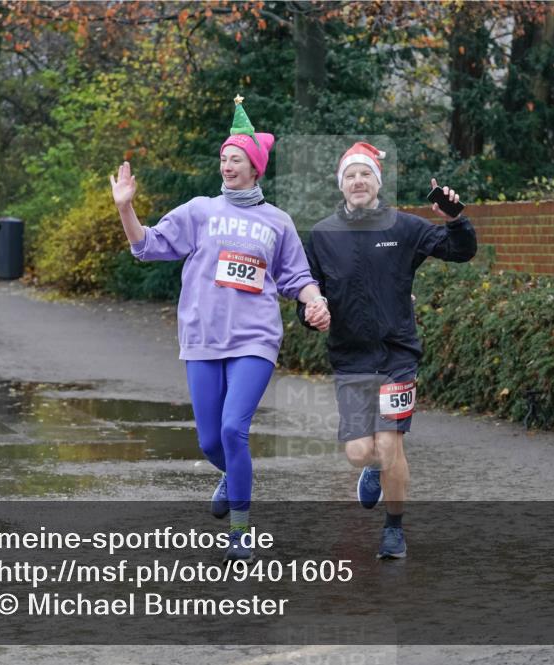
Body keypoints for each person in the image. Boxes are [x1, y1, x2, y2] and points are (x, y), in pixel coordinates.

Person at [112, 96, 329, 562]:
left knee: (233, 429)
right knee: (210, 441)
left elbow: (297, 279)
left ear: (255, 168)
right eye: (223, 159)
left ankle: (240, 530)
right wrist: (125, 210)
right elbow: (148, 246)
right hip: (203, 338)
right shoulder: (199, 211)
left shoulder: (277, 222)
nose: (226, 165)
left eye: (236, 159)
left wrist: (316, 302)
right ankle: (235, 476)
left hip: (255, 340)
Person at [298, 142, 476, 559]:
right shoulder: (323, 234)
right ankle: (373, 470)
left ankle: (394, 529)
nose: (358, 181)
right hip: (350, 357)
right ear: (340, 185)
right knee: (361, 451)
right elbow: (308, 295)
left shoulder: (403, 227)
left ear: (377, 182)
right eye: (350, 176)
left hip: (396, 355)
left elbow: (460, 251)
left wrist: (455, 220)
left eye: (365, 175)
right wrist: (312, 315)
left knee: (391, 444)